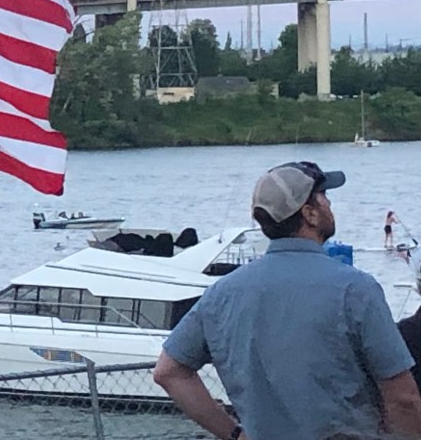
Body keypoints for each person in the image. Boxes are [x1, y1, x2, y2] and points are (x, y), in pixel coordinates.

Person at [153, 160, 421, 440]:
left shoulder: (222, 293)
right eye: (323, 196)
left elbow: (169, 372)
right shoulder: (356, 289)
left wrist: (234, 434)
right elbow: (403, 399)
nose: (329, 203)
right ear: (309, 214)